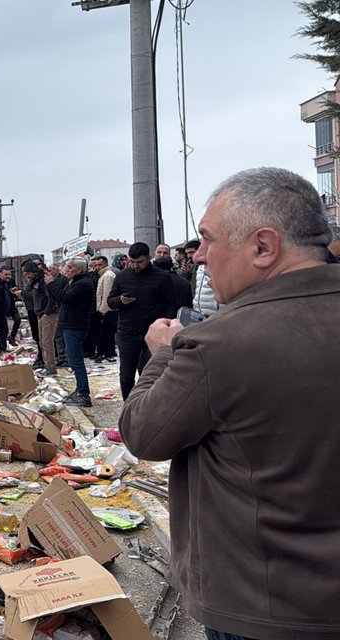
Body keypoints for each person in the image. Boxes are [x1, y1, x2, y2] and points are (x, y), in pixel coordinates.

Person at [119, 167, 340, 640]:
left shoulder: (219, 344)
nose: (198, 256)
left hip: (262, 604)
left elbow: (143, 433)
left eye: (207, 239)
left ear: (263, 247)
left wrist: (163, 354)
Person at [109, 242, 181, 398]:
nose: (135, 265)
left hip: (153, 333)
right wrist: (121, 300)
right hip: (127, 333)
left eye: (140, 262)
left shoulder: (162, 277)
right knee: (126, 376)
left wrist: (163, 325)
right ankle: (128, 406)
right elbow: (110, 301)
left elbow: (171, 304)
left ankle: (147, 407)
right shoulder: (122, 276)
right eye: (132, 262)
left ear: (149, 258)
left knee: (150, 374)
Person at [46, 258, 96, 407]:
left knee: (76, 362)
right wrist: (51, 286)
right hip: (70, 324)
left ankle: (83, 395)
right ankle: (79, 389)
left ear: (78, 270)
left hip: (75, 326)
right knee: (74, 360)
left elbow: (65, 298)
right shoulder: (74, 281)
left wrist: (51, 284)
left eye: (69, 267)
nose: (65, 269)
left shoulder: (83, 284)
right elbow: (61, 298)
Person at [90, 255, 117, 363]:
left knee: (105, 333)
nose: (97, 267)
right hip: (104, 309)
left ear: (106, 263)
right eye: (96, 265)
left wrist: (102, 310)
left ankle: (105, 353)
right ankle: (105, 352)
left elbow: (107, 295)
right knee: (104, 332)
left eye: (100, 264)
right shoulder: (103, 275)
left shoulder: (108, 275)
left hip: (107, 310)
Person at [34, 263, 60, 375]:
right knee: (42, 342)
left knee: (47, 342)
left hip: (48, 314)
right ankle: (47, 366)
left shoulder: (45, 281)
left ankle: (51, 368)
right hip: (41, 313)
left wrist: (46, 312)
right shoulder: (37, 281)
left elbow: (52, 298)